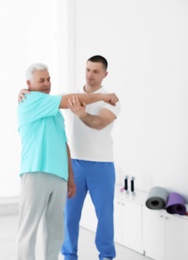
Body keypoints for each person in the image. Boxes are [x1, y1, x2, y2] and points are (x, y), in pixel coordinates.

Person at [17, 63, 119, 260]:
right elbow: (72, 99)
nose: (47, 84)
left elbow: (63, 144)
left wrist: (70, 177)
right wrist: (102, 96)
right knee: (28, 229)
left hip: (59, 176)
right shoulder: (30, 100)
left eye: (48, 79)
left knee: (55, 230)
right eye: (41, 80)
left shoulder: (54, 110)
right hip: (35, 172)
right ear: (28, 84)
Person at [61, 55, 121, 260]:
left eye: (96, 71)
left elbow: (98, 123)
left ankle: (106, 256)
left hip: (102, 166)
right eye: (88, 69)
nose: (90, 75)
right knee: (69, 216)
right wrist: (25, 91)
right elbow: (47, 101)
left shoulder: (112, 99)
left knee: (104, 217)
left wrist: (82, 114)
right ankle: (69, 255)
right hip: (74, 164)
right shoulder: (74, 96)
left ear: (105, 74)